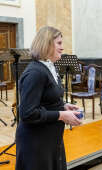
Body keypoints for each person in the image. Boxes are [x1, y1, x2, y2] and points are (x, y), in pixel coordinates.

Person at [16, 26, 82, 170]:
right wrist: (61, 115)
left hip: (50, 139)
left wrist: (64, 106)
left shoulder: (49, 67)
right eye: (59, 43)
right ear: (46, 43)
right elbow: (27, 113)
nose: (62, 48)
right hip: (36, 143)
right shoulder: (35, 73)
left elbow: (47, 98)